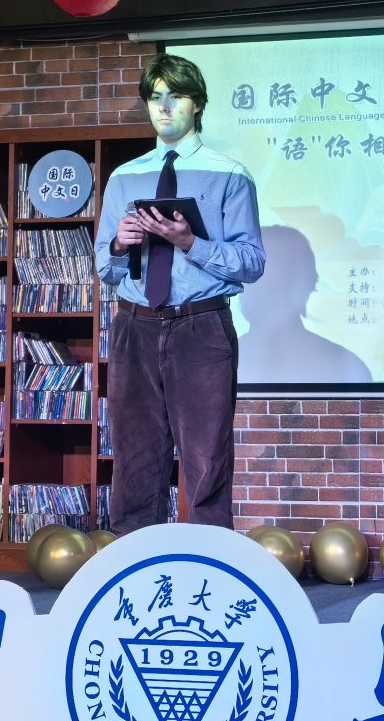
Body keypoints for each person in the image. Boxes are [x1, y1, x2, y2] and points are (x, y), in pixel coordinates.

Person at [95, 54, 266, 531]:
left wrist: (189, 242)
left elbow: (252, 261)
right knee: (133, 456)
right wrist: (119, 244)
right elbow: (105, 268)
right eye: (155, 98)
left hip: (200, 327)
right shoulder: (123, 176)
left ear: (198, 104)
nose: (164, 107)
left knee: (207, 456)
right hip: (134, 325)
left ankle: (209, 561)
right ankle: (137, 561)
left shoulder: (230, 174)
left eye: (176, 96)